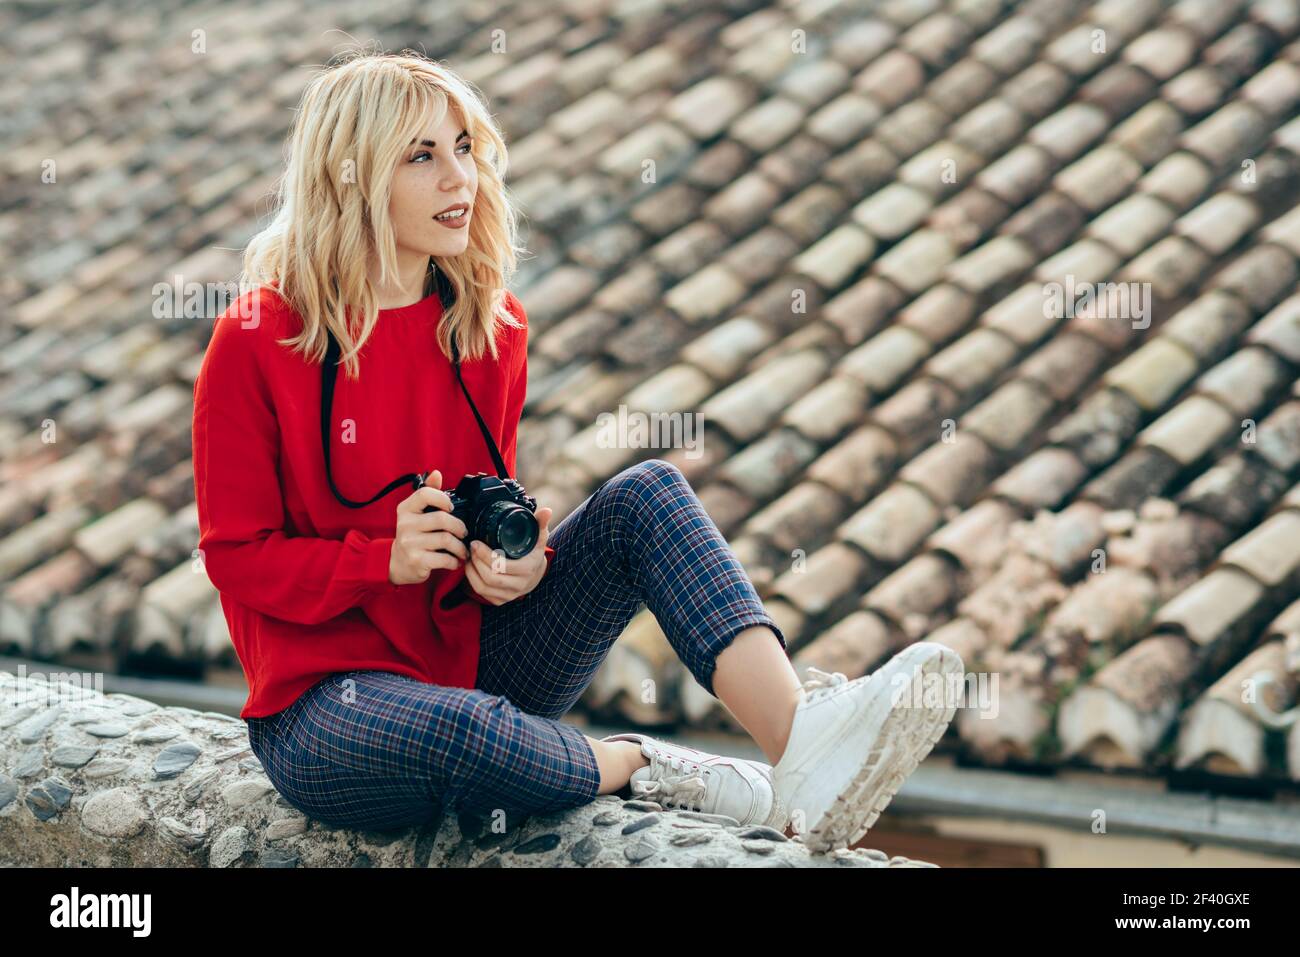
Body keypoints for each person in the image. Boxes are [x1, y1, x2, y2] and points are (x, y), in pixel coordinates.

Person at [191, 48, 962, 853]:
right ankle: (640, 763)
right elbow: (234, 556)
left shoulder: (489, 328)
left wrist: (510, 571)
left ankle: (800, 741)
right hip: (324, 710)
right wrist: (376, 561)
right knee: (467, 731)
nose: (460, 179)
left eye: (464, 149)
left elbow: (487, 516)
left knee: (649, 494)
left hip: (472, 661)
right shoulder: (261, 338)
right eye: (421, 156)